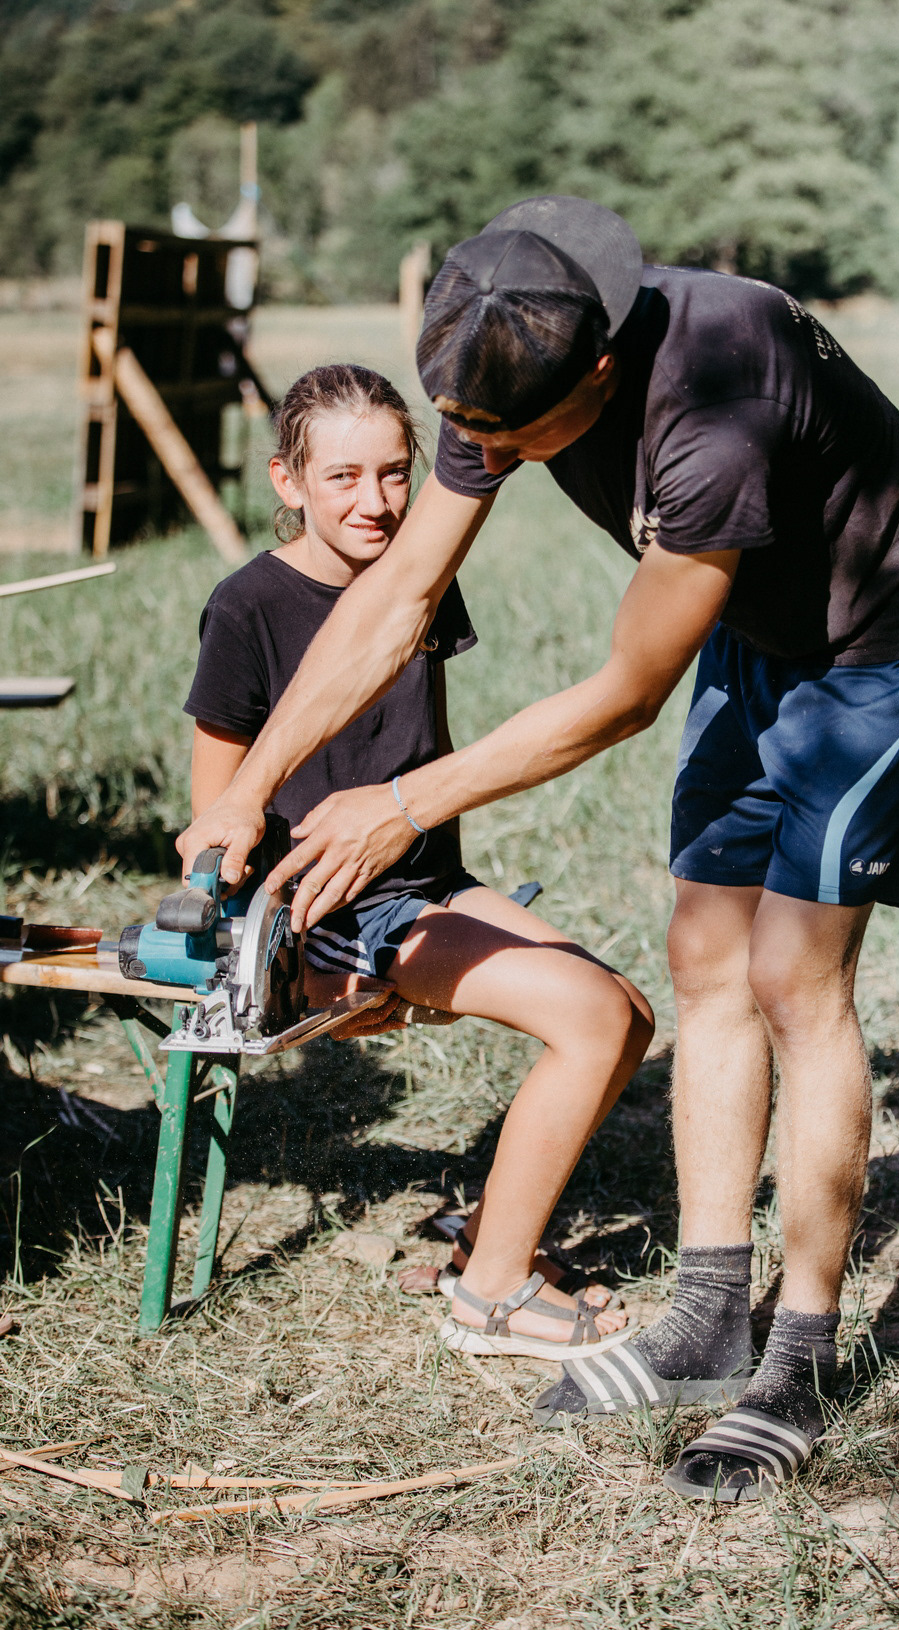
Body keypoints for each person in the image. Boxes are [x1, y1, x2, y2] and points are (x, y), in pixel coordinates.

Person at [177, 199, 899, 1503]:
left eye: (506, 440)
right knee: (704, 952)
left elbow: (624, 694)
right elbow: (396, 597)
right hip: (755, 626)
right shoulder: (501, 349)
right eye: (469, 431)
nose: (479, 456)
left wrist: (403, 801)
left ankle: (800, 1356)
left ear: (599, 372)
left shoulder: (713, 411)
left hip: (873, 637)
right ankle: (709, 1315)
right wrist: (250, 784)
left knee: (792, 977)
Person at [184, 360, 653, 1362]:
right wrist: (290, 966)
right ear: (286, 481)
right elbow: (215, 824)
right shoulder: (248, 607)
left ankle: (486, 1237)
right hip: (336, 911)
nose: (377, 501)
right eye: (343, 477)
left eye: (396, 473)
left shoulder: (422, 578)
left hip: (426, 885)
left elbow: (417, 757)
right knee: (593, 1017)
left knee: (631, 1015)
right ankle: (490, 1297)